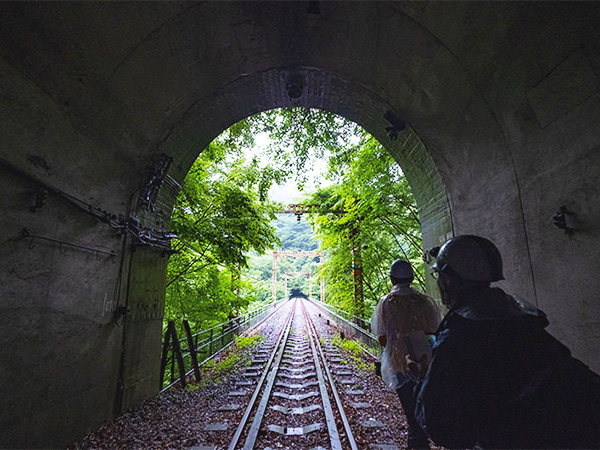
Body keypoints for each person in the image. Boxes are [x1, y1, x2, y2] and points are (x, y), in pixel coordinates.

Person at [411, 234, 600, 449]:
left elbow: (445, 430)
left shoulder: (458, 337)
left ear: (448, 281)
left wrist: (421, 379)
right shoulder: (526, 322)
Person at [371, 259, 441, 449]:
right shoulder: (426, 301)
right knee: (423, 402)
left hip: (399, 363)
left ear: (392, 279)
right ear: (411, 277)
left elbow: (382, 337)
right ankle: (419, 440)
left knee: (410, 408)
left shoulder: (386, 303)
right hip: (426, 361)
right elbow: (436, 330)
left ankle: (417, 442)